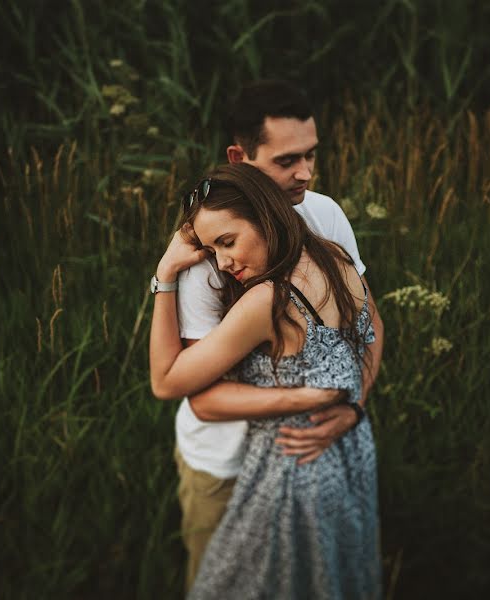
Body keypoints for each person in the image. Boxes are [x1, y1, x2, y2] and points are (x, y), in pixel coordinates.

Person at [167, 80, 385, 590]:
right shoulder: (210, 251)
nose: (304, 173)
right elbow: (202, 395)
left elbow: (366, 326)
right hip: (223, 464)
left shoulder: (325, 216)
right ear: (240, 158)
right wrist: (308, 398)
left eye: (311, 155)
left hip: (308, 458)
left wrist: (352, 405)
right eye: (287, 160)